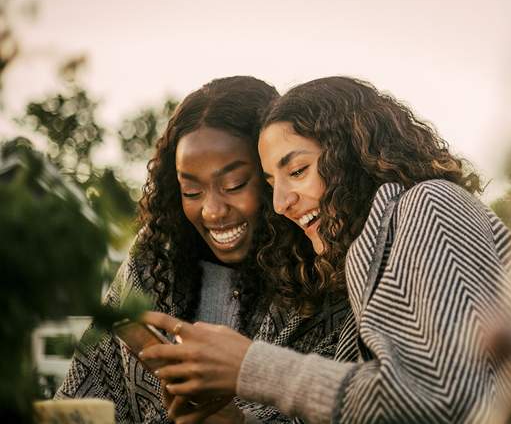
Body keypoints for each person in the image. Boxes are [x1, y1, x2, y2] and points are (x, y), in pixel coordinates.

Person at [140, 76, 511, 423]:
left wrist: (249, 366)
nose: (280, 203)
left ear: (354, 154)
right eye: (270, 181)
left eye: (297, 171)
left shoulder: (430, 204)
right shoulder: (365, 272)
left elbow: (454, 401)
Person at [56, 76, 351, 423]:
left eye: (234, 184)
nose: (212, 210)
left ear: (273, 176)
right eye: (192, 192)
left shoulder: (327, 275)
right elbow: (84, 394)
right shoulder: (152, 261)